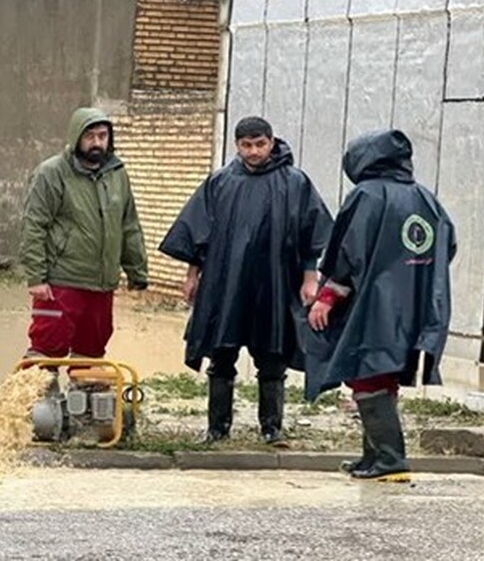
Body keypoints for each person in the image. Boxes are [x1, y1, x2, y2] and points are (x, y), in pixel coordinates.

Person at [160, 116, 332, 444]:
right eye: (246, 145)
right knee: (221, 355)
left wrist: (310, 277)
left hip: (275, 282)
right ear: (237, 145)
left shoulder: (294, 183)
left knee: (272, 355)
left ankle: (272, 428)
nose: (254, 151)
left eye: (260, 144)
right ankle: (217, 429)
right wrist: (192, 275)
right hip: (226, 284)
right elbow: (198, 232)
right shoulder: (221, 181)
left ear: (271, 142)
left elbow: (313, 232)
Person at [306, 129, 456, 482]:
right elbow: (447, 246)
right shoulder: (426, 198)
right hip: (414, 303)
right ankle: (372, 457)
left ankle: (390, 459)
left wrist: (326, 297)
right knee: (383, 373)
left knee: (367, 370)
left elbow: (349, 252)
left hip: (374, 303)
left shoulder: (366, 195)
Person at [19, 107, 148, 382]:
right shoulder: (51, 173)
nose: (97, 143)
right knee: (46, 349)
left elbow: (129, 226)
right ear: (76, 136)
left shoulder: (117, 174)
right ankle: (33, 413)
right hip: (59, 282)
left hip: (101, 284)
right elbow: (33, 226)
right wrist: (36, 277)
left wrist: (137, 272)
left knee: (91, 352)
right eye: (90, 136)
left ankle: (86, 413)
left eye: (102, 136)